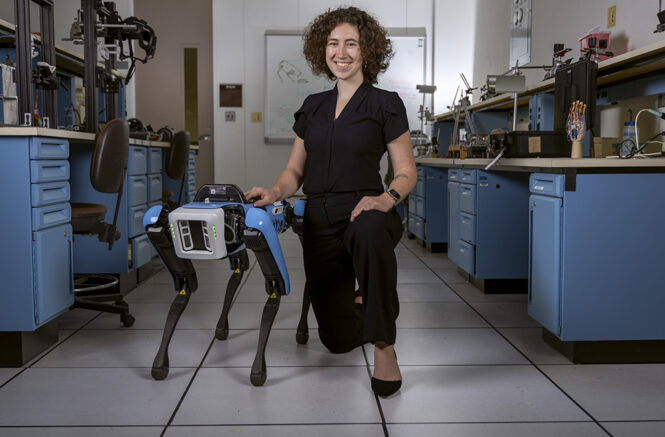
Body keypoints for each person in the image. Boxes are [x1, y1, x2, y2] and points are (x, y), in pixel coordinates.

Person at [245, 6, 416, 397]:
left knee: (370, 232)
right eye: (333, 43)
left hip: (366, 209)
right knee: (336, 340)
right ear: (321, 50)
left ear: (367, 51)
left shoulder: (385, 103)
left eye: (351, 44)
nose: (341, 52)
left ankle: (385, 347)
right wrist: (273, 192)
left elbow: (406, 170)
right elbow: (294, 172)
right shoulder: (313, 107)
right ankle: (364, 299)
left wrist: (387, 199)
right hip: (320, 217)